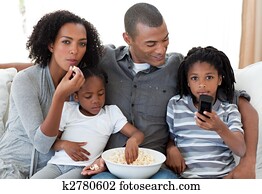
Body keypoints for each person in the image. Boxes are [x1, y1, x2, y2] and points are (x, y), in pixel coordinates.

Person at [1, 2, 258, 179]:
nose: (161, 50)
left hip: (155, 165)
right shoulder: (102, 60)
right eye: (151, 43)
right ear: (128, 39)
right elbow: (51, 64)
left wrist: (247, 164)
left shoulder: (179, 66)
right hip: (105, 166)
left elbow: (236, 99)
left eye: (165, 39)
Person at [0, 10, 103, 178]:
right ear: (51, 45)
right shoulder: (25, 81)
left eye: (82, 44)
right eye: (66, 42)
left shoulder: (81, 83)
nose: (74, 50)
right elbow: (41, 144)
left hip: (54, 168)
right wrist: (60, 96)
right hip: (13, 166)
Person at [30, 66, 144, 179]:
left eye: (100, 94)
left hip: (81, 168)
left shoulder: (111, 114)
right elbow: (50, 142)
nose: (96, 100)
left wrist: (132, 140)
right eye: (88, 96)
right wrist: (64, 144)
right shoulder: (68, 110)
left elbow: (137, 134)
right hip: (55, 165)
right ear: (76, 97)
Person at [166, 46, 246, 178]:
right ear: (187, 81)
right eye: (194, 78)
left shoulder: (229, 110)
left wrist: (220, 128)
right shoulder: (176, 105)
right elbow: (170, 138)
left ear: (219, 79)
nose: (202, 84)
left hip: (222, 179)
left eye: (209, 77)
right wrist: (171, 148)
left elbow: (241, 150)